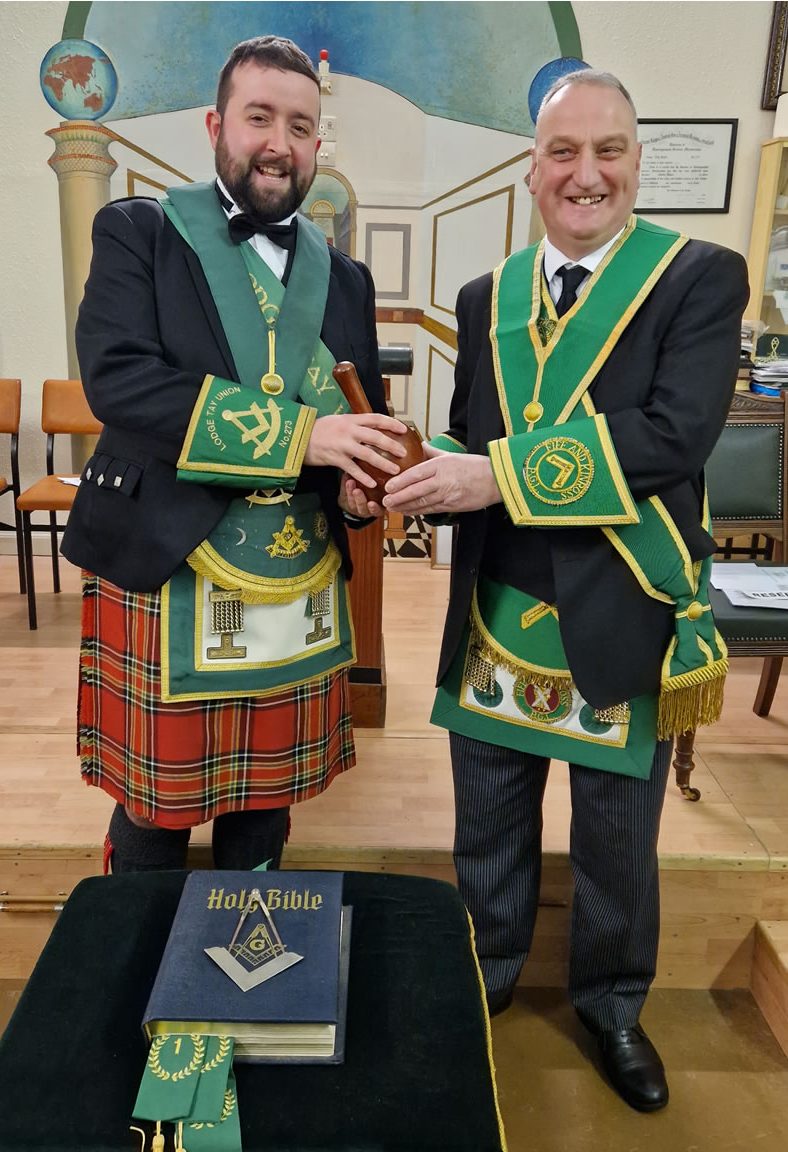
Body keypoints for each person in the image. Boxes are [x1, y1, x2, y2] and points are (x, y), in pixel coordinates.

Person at [382, 70, 748, 1112]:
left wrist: (489, 476)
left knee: (615, 845)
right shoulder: (483, 297)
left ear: (635, 160)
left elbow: (673, 437)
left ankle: (611, 1005)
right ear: (531, 170)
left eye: (608, 150)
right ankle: (486, 975)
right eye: (562, 152)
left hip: (622, 605)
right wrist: (411, 470)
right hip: (497, 610)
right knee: (486, 829)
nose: (586, 173)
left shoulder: (697, 277)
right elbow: (471, 431)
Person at [62, 36, 406, 876]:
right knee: (156, 808)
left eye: (301, 126)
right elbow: (119, 382)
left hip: (295, 578)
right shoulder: (140, 232)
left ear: (317, 143)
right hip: (169, 564)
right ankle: (135, 941)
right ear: (218, 126)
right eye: (259, 118)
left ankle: (241, 952)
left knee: (264, 805)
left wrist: (360, 488)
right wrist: (302, 437)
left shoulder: (347, 278)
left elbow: (357, 421)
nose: (279, 144)